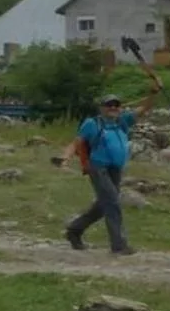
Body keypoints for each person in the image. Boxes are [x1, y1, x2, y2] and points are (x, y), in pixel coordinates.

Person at [58, 64, 164, 255]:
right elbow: (76, 143)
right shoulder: (92, 123)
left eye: (116, 105)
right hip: (98, 168)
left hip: (115, 169)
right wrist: (64, 157)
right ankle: (119, 245)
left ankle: (74, 230)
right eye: (109, 105)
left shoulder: (122, 121)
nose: (113, 108)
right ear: (102, 108)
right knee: (113, 202)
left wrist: (154, 92)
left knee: (102, 206)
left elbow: (144, 109)